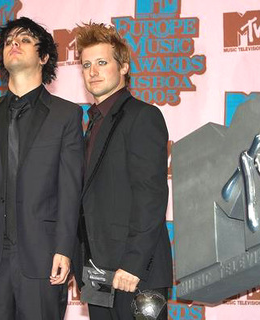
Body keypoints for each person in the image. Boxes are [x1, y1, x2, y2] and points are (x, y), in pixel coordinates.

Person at [0, 17, 84, 319]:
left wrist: (64, 248)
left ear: (43, 57)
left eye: (25, 39)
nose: (14, 43)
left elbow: (70, 189)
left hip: (43, 256)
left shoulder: (66, 115)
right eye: (9, 40)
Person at [75, 22, 173, 320]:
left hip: (134, 272)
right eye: (87, 64)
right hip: (97, 273)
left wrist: (132, 264)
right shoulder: (91, 123)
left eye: (102, 62)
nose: (93, 71)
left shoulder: (143, 116)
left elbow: (152, 194)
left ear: (124, 67)